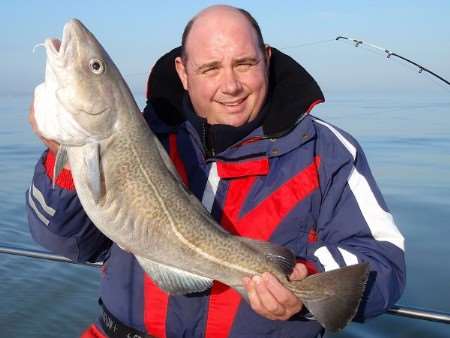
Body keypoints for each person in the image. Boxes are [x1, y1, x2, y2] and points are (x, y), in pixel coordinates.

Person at [27, 5, 406, 338]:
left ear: (267, 59)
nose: (231, 85)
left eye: (245, 63)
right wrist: (61, 159)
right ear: (184, 72)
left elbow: (384, 263)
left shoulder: (327, 152)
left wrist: (307, 280)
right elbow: (68, 244)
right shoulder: (145, 135)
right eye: (210, 68)